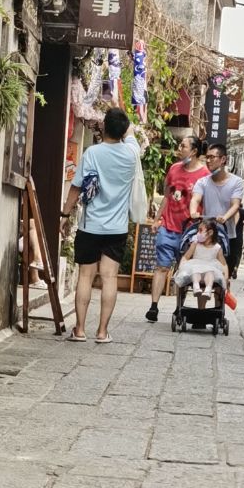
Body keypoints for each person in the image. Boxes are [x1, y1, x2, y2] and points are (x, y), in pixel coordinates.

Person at [63, 104, 144, 344]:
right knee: (109, 278)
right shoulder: (131, 153)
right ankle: (102, 331)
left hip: (91, 225)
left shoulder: (92, 154)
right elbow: (130, 134)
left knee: (86, 276)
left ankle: (79, 330)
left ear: (103, 126)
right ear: (123, 130)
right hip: (116, 228)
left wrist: (65, 214)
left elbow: (77, 187)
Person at [146, 128, 208, 322]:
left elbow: (204, 205)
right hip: (168, 226)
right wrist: (158, 219)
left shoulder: (204, 176)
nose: (180, 148)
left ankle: (179, 308)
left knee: (183, 271)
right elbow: (167, 196)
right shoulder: (174, 169)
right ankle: (154, 307)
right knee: (161, 267)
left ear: (194, 151)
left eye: (184, 146)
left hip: (189, 231)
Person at [191, 142, 244, 306]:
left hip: (228, 234)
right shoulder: (202, 182)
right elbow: (195, 198)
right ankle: (201, 312)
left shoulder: (236, 182)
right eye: (206, 157)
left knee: (222, 274)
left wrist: (225, 216)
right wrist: (193, 211)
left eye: (212, 157)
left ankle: (217, 310)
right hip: (207, 235)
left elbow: (235, 204)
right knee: (203, 270)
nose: (208, 161)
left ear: (223, 159)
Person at [175, 216, 230, 308]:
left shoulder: (217, 248)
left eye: (200, 231)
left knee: (210, 273)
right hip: (196, 268)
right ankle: (196, 287)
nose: (197, 233)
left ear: (210, 233)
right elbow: (186, 257)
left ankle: (208, 290)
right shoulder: (195, 244)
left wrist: (226, 278)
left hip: (210, 270)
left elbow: (223, 264)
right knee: (195, 271)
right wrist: (182, 267)